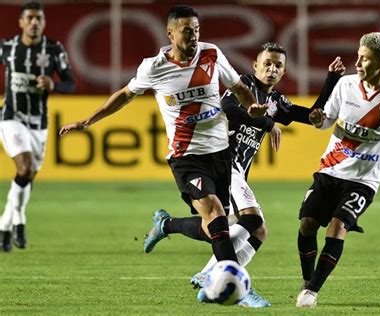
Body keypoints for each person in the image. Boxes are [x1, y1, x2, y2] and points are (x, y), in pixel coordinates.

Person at [59, 5, 267, 266]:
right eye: (186, 32)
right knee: (214, 212)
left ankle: (167, 225)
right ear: (170, 34)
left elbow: (238, 87)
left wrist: (251, 107)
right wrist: (89, 121)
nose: (193, 36)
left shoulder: (212, 54)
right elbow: (125, 95)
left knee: (216, 225)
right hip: (186, 157)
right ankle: (234, 281)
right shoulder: (153, 67)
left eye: (197, 30)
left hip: (220, 152)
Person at [142, 42, 345, 307]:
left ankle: (168, 226)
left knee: (244, 229)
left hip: (237, 171)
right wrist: (268, 123)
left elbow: (311, 117)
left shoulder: (276, 101)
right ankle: (221, 279)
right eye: (267, 63)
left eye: (278, 66)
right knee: (251, 220)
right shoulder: (243, 86)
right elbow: (231, 110)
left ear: (284, 72)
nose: (272, 69)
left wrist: (331, 81)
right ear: (255, 65)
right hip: (224, 161)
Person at [295, 32, 380, 308]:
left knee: (337, 228)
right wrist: (318, 119)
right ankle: (307, 279)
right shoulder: (346, 84)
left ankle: (312, 292)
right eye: (358, 56)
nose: (358, 63)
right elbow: (326, 121)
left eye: (365, 58)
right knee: (306, 225)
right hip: (329, 170)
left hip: (363, 180)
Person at [0, 1, 75, 252]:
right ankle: (19, 221)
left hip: (38, 124)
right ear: (21, 22)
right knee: (25, 167)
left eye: (39, 19)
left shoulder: (53, 50)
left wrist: (54, 86)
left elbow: (70, 83)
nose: (34, 22)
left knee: (28, 175)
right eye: (30, 18)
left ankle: (6, 224)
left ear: (43, 22)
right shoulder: (8, 47)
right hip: (11, 117)